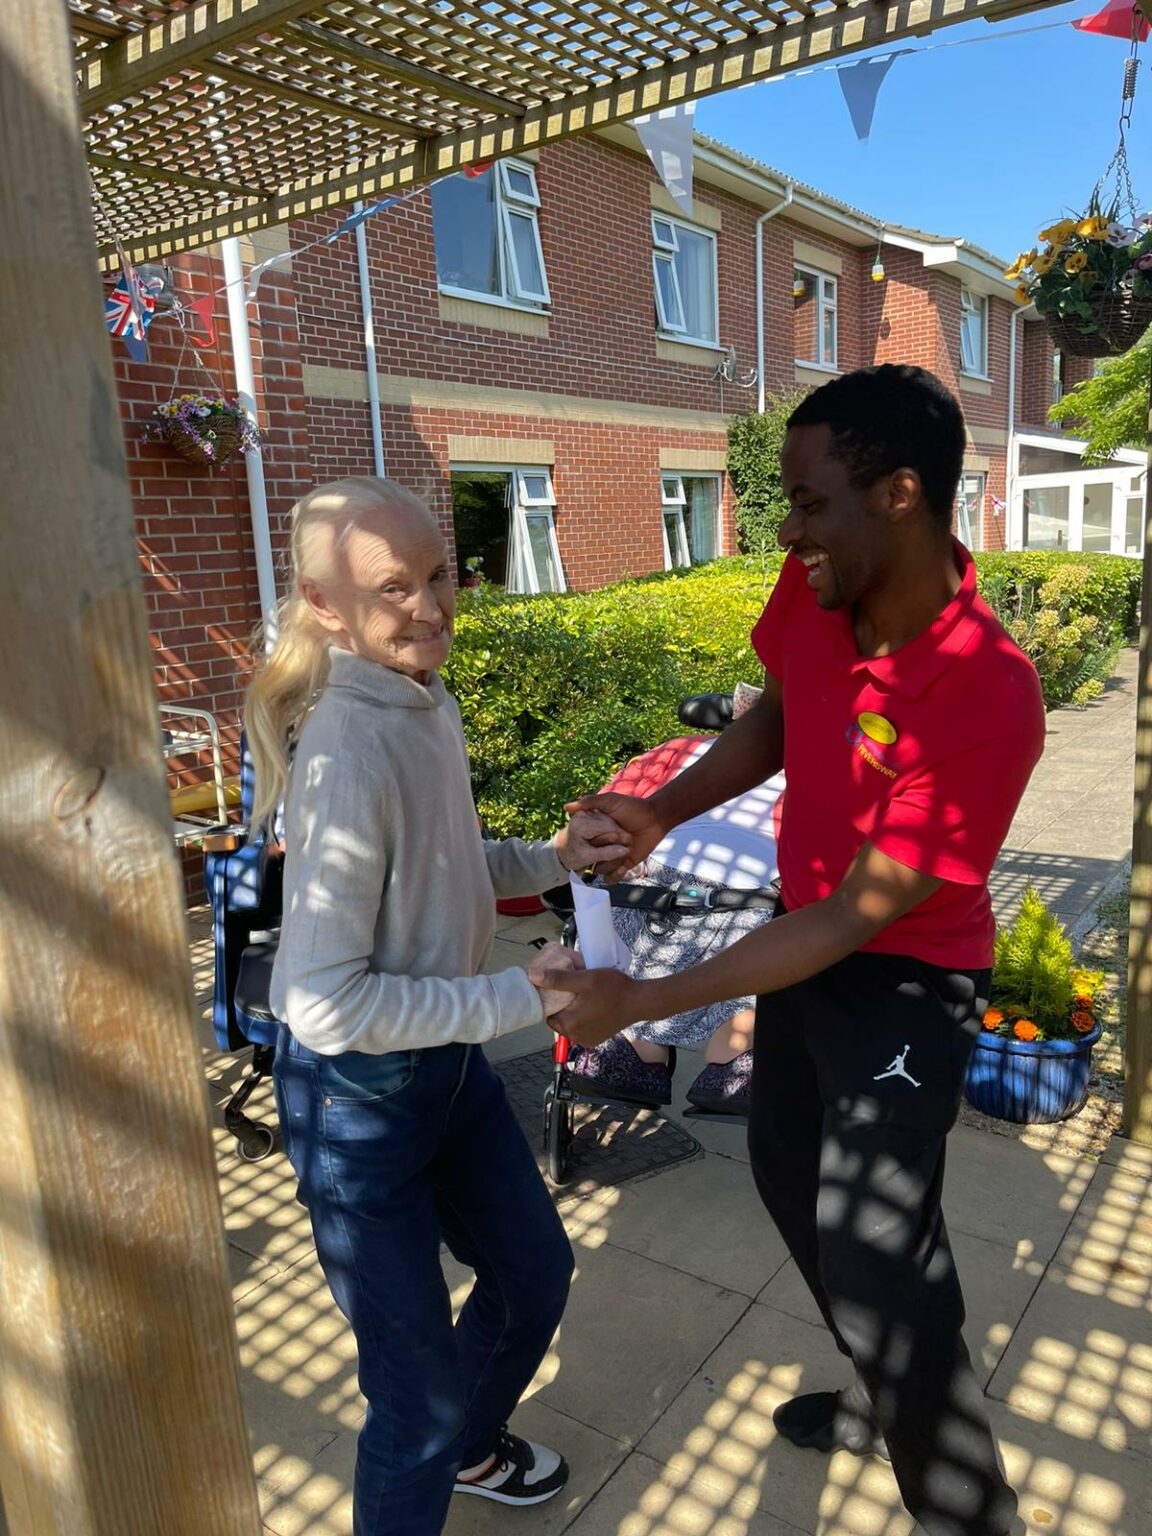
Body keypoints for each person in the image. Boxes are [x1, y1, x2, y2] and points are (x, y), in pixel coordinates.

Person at [534, 365, 1045, 1536]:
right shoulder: (824, 581)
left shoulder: (987, 689)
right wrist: (662, 809)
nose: (788, 532)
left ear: (900, 494)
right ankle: (884, 1386)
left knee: (881, 1257)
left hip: (907, 977)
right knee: (785, 1176)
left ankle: (970, 1512)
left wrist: (640, 1000)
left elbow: (857, 915)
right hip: (800, 946)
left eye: (810, 503)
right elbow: (780, 711)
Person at [247, 477, 620, 1536]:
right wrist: (519, 993)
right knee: (412, 1407)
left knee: (533, 1276)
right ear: (326, 607)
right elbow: (321, 1004)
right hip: (357, 1106)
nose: (430, 607)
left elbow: (445, 863)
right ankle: (446, 1446)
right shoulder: (346, 748)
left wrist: (551, 855)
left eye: (439, 574)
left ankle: (470, 1450)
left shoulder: (423, 698)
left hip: (447, 1070)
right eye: (392, 588)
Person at [568, 731, 785, 1116]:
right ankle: (695, 1049)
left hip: (745, 884)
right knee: (616, 923)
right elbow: (605, 811)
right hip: (672, 875)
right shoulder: (686, 748)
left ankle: (654, 1048)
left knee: (764, 939)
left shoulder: (817, 760)